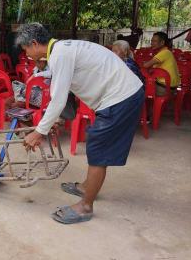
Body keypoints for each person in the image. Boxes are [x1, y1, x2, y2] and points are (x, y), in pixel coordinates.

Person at [17, 23, 144, 224]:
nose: (27, 55)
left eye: (26, 50)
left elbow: (58, 99)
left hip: (121, 97)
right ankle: (86, 187)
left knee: (97, 148)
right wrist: (53, 120)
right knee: (97, 145)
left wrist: (38, 132)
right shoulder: (62, 49)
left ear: (34, 44)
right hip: (122, 93)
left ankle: (85, 206)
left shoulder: (60, 55)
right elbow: (63, 85)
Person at [142, 32, 179, 96]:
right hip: (170, 86)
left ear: (162, 43)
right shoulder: (166, 52)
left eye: (155, 41)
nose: (152, 43)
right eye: (151, 41)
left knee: (139, 88)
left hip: (165, 88)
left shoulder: (164, 53)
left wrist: (143, 63)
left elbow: (146, 65)